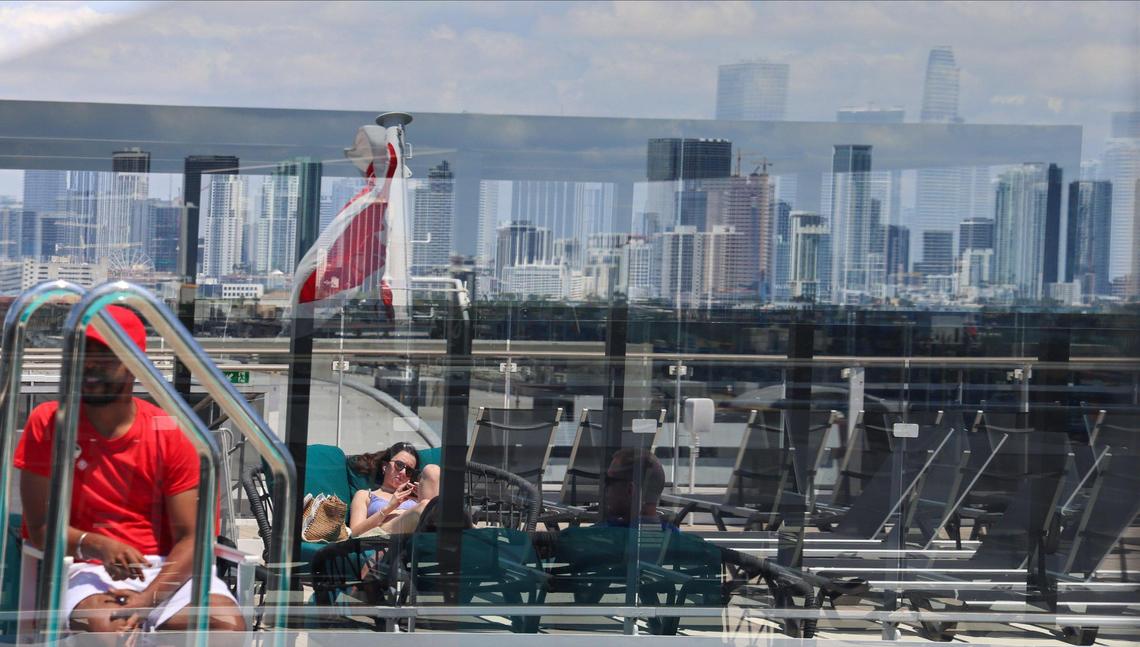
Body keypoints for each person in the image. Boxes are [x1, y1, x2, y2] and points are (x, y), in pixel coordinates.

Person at [14, 305, 244, 635]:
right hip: (83, 569)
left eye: (105, 354)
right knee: (110, 629)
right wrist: (97, 545)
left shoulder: (171, 433)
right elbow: (39, 527)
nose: (90, 364)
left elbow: (193, 538)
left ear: (134, 365)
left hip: (167, 572)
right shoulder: (50, 423)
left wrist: (148, 599)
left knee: (226, 626)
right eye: (83, 353)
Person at [347, 441, 440, 536]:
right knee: (425, 507)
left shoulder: (416, 498)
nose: (403, 472)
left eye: (409, 471)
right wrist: (389, 507)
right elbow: (354, 533)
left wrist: (420, 497)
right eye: (399, 465)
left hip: (416, 531)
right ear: (385, 466)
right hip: (382, 534)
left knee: (432, 470)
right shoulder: (365, 495)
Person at [601, 447, 668, 527]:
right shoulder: (673, 536)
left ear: (630, 490)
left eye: (609, 481)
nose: (604, 487)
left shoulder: (602, 534)